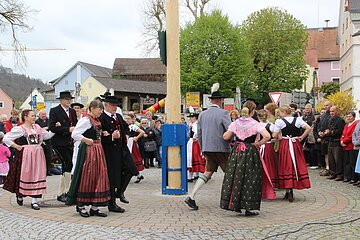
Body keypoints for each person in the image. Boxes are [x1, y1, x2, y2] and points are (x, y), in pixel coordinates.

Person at [220, 102, 272, 216]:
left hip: (237, 151)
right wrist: (258, 143)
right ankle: (249, 207)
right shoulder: (256, 124)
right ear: (253, 111)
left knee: (235, 176)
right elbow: (267, 136)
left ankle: (233, 203)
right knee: (251, 177)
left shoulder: (235, 123)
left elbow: (226, 136)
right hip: (250, 151)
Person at [184, 87, 231, 210]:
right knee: (231, 173)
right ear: (220, 100)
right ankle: (232, 199)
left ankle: (192, 196)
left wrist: (202, 148)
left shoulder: (202, 115)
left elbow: (199, 134)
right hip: (222, 148)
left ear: (211, 101)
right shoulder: (224, 113)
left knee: (207, 172)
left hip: (207, 148)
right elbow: (230, 130)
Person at [66, 100, 111, 218]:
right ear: (92, 108)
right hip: (89, 151)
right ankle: (81, 205)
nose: (101, 112)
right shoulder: (86, 120)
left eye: (101, 109)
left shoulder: (95, 120)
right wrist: (86, 140)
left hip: (97, 150)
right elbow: (75, 134)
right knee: (87, 176)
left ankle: (94, 207)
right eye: (99, 109)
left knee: (99, 176)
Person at [3, 109, 53, 210]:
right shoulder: (21, 129)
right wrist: (16, 146)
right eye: (32, 116)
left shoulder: (37, 127)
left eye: (35, 116)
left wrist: (56, 130)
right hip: (26, 155)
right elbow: (6, 138)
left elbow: (46, 136)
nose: (34, 117)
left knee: (37, 174)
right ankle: (20, 194)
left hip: (38, 154)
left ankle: (34, 201)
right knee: (25, 174)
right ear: (25, 117)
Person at [273, 105, 311, 202]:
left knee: (285, 164)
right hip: (295, 144)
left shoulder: (279, 122)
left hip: (285, 144)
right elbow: (308, 128)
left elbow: (274, 135)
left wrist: (279, 135)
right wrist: (302, 137)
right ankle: (290, 188)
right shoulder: (298, 120)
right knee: (296, 164)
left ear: (283, 112)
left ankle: (288, 188)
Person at [99, 95, 130, 212]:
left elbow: (126, 128)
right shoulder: (102, 118)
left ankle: (120, 192)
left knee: (131, 169)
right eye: (113, 105)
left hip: (122, 149)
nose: (115, 108)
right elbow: (100, 137)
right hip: (110, 151)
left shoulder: (118, 116)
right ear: (105, 106)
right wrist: (111, 137)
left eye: (116, 105)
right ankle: (112, 203)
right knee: (112, 177)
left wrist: (126, 134)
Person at [49, 91, 78, 203]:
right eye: (66, 99)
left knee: (69, 165)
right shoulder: (54, 111)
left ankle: (66, 192)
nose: (68, 101)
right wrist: (67, 129)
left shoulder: (72, 111)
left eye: (70, 99)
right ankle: (63, 192)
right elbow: (52, 127)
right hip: (59, 142)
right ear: (60, 100)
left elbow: (75, 125)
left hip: (70, 142)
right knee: (67, 164)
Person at [257, 109, 278, 188]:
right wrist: (273, 140)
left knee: (259, 164)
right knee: (270, 164)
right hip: (268, 146)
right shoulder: (271, 125)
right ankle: (271, 181)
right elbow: (277, 136)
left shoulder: (256, 125)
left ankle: (260, 182)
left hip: (258, 146)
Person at [125, 113, 145, 183]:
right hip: (127, 143)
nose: (127, 120)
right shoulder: (126, 126)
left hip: (131, 144)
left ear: (132, 119)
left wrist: (136, 137)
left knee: (133, 159)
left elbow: (142, 132)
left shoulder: (133, 126)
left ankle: (137, 175)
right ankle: (136, 175)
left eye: (128, 119)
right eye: (126, 118)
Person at [186, 112, 205, 182]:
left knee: (191, 158)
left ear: (194, 117)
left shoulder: (195, 125)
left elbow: (197, 133)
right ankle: (195, 174)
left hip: (193, 142)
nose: (190, 119)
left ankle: (191, 176)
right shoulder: (195, 124)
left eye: (191, 117)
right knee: (194, 157)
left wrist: (195, 137)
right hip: (194, 142)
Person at [341, 111, 358, 182]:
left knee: (352, 162)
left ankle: (354, 177)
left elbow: (351, 135)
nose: (348, 118)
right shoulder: (346, 125)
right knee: (346, 162)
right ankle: (348, 177)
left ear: (354, 117)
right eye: (347, 116)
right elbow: (343, 134)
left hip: (351, 146)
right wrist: (341, 141)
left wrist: (344, 141)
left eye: (350, 116)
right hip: (345, 146)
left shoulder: (355, 124)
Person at [316, 101, 332, 176]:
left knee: (330, 155)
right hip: (323, 138)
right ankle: (327, 167)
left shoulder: (332, 115)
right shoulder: (323, 116)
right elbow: (319, 126)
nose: (325, 107)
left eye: (327, 105)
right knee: (325, 154)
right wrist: (319, 132)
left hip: (330, 138)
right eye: (324, 105)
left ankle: (331, 169)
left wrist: (327, 132)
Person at [35, 110, 53, 176]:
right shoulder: (36, 122)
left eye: (44, 114)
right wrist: (43, 129)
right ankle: (41, 172)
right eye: (42, 114)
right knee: (41, 157)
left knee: (49, 156)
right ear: (39, 115)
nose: (44, 115)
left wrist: (47, 128)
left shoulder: (49, 120)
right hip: (40, 141)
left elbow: (51, 127)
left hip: (48, 141)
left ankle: (48, 170)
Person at [70, 102, 85, 175]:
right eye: (74, 108)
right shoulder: (71, 119)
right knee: (74, 158)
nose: (76, 110)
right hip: (73, 142)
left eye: (78, 108)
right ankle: (74, 173)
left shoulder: (84, 119)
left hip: (82, 140)